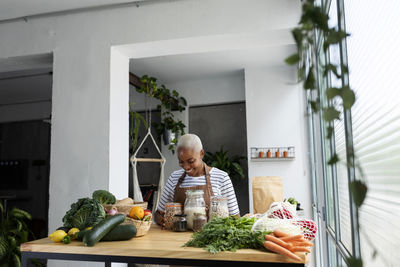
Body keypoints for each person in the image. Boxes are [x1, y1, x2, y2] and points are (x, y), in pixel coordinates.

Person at [155, 133, 240, 227]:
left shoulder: (221, 177)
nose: (186, 167)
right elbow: (158, 213)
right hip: (177, 237)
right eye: (181, 162)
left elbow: (235, 218)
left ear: (201, 154)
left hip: (209, 237)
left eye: (191, 161)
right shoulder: (174, 178)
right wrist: (161, 219)